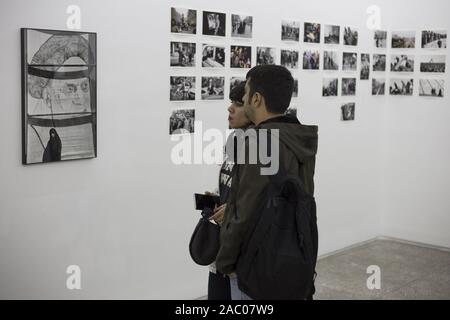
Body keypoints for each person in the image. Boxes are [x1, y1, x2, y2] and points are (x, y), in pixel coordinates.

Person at [215, 65, 318, 300]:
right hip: (293, 257)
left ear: (257, 99)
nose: (242, 99)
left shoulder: (259, 142)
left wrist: (225, 262)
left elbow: (244, 212)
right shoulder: (298, 136)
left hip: (257, 264)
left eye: (245, 94)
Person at [205, 82, 252, 300]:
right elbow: (231, 183)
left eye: (238, 104)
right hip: (222, 248)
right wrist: (216, 197)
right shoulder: (234, 140)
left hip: (240, 253)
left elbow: (257, 200)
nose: (230, 108)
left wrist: (233, 208)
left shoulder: (263, 149)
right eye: (231, 102)